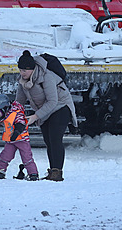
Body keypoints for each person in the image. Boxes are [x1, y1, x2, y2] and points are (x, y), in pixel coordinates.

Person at [15, 50, 77, 181]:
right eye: (20, 70)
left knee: (55, 138)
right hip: (45, 111)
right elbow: (18, 102)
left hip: (60, 107)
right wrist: (11, 116)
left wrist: (34, 117)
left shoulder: (46, 77)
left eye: (25, 70)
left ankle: (57, 173)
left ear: (32, 69)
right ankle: (52, 171)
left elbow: (53, 101)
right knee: (48, 140)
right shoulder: (22, 82)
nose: (22, 73)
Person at [0, 94, 39, 181]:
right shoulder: (4, 114)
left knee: (27, 158)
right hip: (11, 141)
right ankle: (0, 171)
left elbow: (21, 123)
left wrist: (17, 132)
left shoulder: (16, 112)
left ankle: (33, 174)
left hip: (22, 140)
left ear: (4, 108)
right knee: (4, 157)